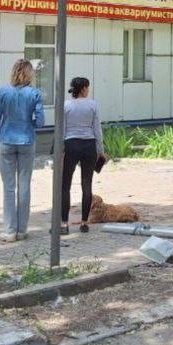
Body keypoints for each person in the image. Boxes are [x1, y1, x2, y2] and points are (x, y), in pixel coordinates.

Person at [0, 58, 45, 242]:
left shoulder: (3, 92)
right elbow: (40, 122)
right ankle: (22, 230)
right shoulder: (35, 93)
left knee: (9, 187)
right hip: (27, 141)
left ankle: (9, 231)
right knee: (24, 186)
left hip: (6, 140)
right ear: (30, 74)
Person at [61, 77, 105, 235]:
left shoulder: (66, 105)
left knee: (65, 185)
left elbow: (62, 129)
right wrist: (100, 150)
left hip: (71, 145)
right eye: (88, 87)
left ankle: (64, 224)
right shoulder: (92, 105)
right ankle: (84, 223)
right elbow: (97, 129)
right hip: (89, 146)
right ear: (84, 88)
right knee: (87, 185)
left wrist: (61, 149)